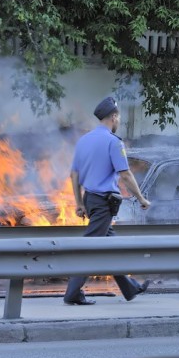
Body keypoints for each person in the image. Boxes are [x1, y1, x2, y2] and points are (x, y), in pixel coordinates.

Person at [63, 97, 152, 305]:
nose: (118, 120)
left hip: (91, 201)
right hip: (103, 204)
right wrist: (141, 198)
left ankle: (130, 288)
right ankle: (72, 294)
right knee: (90, 249)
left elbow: (74, 175)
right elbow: (126, 174)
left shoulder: (84, 141)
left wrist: (79, 203)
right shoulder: (113, 142)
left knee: (110, 247)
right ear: (114, 117)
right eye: (118, 117)